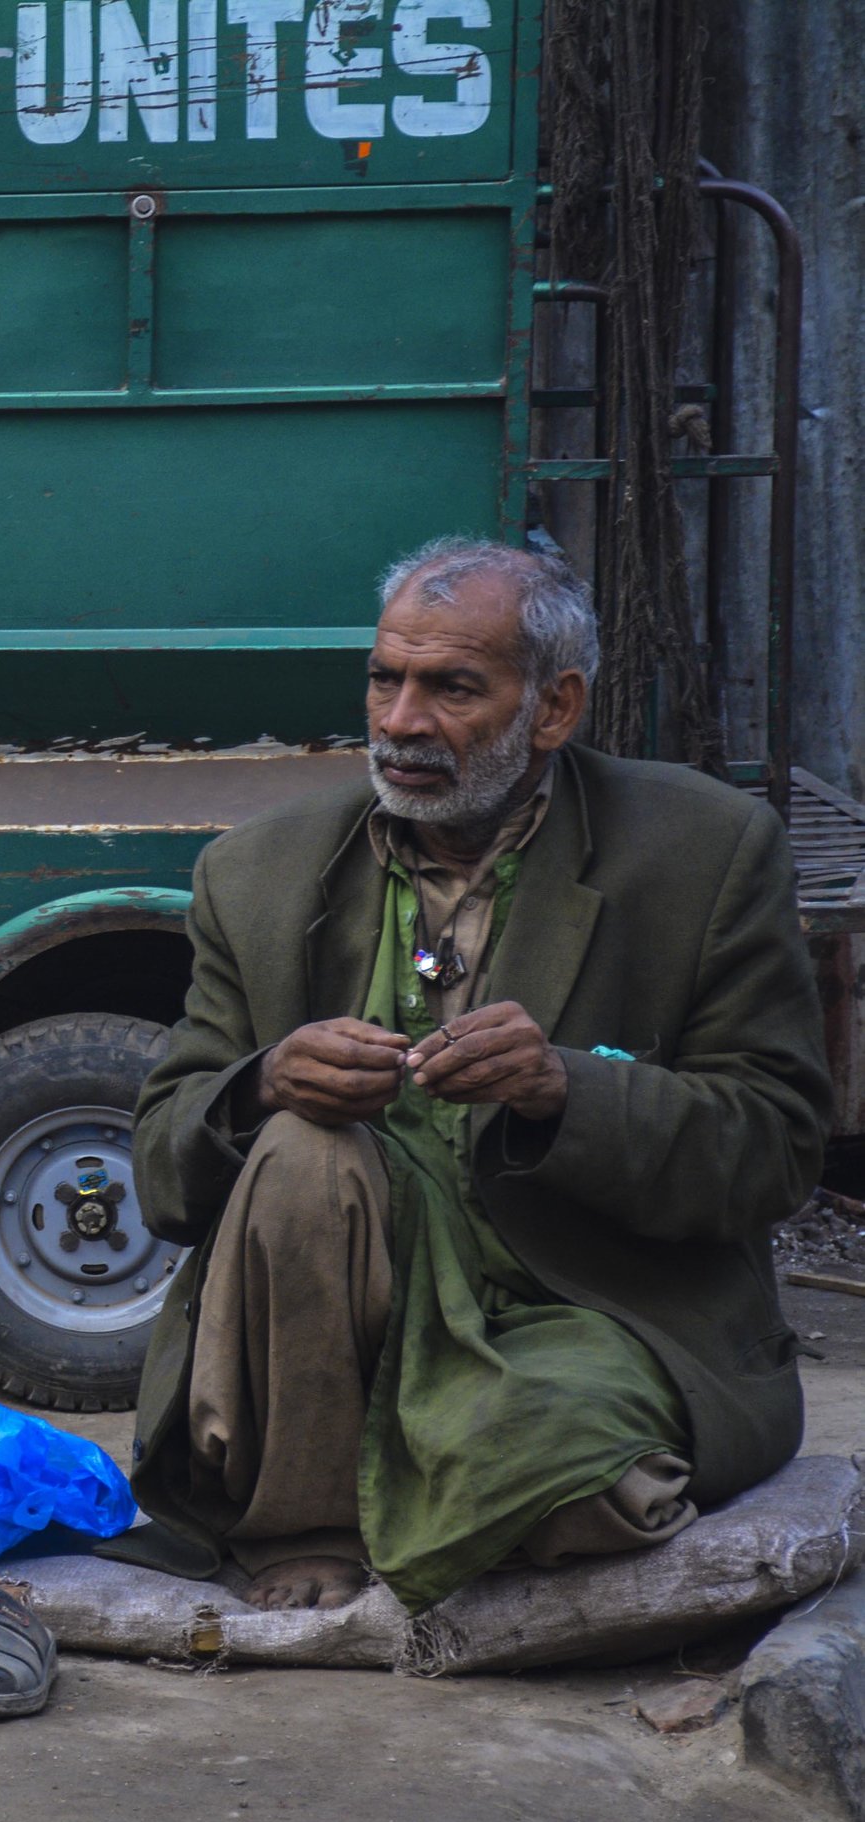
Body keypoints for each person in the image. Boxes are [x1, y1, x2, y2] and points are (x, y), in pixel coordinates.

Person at [120, 538, 828, 1616]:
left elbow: (773, 1146)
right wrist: (261, 1085)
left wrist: (564, 1089)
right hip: (328, 1316)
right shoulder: (256, 873)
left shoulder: (706, 852)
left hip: (583, 1302)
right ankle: (306, 1516)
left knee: (591, 1490)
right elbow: (163, 1173)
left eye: (452, 688)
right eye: (383, 680)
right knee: (305, 1148)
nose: (401, 722)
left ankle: (441, 1479)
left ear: (552, 709)